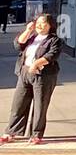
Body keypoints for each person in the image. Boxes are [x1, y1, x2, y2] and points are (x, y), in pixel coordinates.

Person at [1, 13, 63, 144]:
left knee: (40, 105)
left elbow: (52, 55)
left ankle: (36, 134)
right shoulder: (32, 37)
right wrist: (28, 30)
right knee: (18, 103)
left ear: (50, 25)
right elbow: (18, 45)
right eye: (38, 23)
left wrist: (36, 64)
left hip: (43, 76)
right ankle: (11, 132)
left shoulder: (54, 40)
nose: (40, 26)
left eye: (44, 23)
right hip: (24, 73)